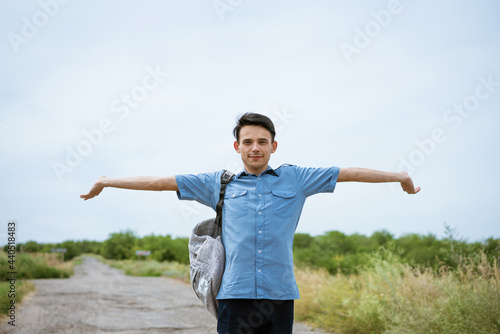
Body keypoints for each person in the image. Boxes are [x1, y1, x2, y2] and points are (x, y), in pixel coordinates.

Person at [81, 112, 420, 333]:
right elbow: (158, 182)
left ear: (273, 146)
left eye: (261, 142)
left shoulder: (296, 179)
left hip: (279, 294)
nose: (254, 147)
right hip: (233, 294)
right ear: (237, 146)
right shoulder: (219, 182)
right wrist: (108, 181)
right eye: (248, 142)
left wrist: (399, 176)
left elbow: (349, 173)